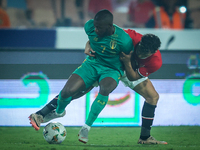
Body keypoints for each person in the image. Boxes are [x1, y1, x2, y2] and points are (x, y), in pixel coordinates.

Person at [29, 28, 167, 144]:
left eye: (145, 53)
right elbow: (102, 36)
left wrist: (127, 62)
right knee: (75, 91)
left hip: (130, 70)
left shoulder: (155, 62)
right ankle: (41, 114)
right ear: (140, 41)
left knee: (153, 97)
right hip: (110, 66)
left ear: (153, 52)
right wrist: (88, 44)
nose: (140, 53)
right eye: (140, 49)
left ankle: (144, 137)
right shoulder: (130, 36)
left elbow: (133, 77)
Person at [29, 9, 133, 144]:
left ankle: (86, 127)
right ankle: (59, 112)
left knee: (105, 89)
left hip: (112, 69)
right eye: (95, 26)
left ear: (110, 26)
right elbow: (92, 39)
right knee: (67, 92)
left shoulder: (124, 40)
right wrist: (87, 45)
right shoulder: (89, 27)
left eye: (99, 27)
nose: (95, 30)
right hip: (92, 64)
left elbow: (129, 59)